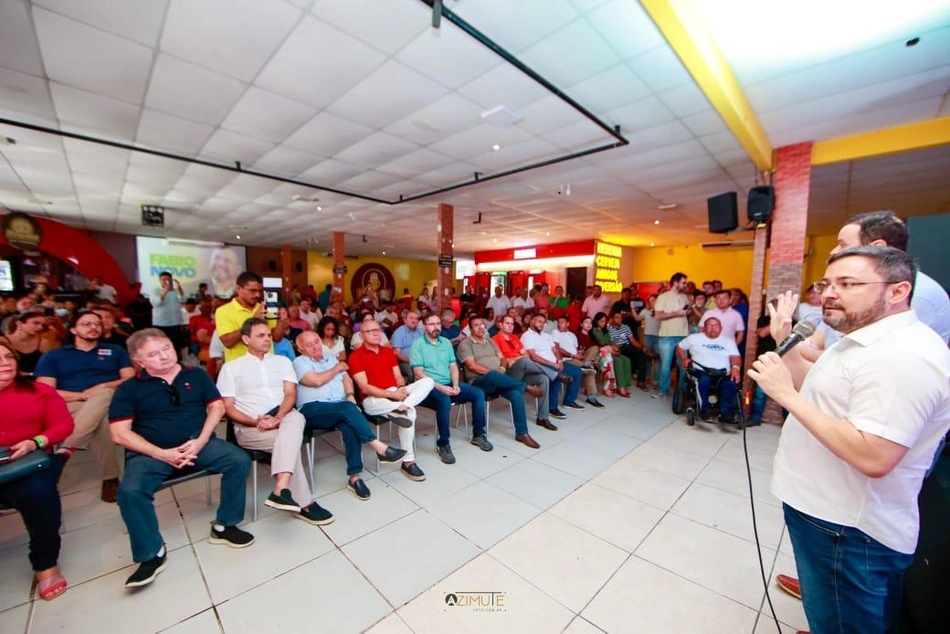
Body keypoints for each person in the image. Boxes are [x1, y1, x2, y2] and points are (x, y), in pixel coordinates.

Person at [750, 247, 950, 634]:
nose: (829, 293)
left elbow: (874, 455)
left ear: (897, 291)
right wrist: (783, 339)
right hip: (826, 513)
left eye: (848, 284)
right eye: (827, 283)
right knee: (832, 617)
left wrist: (785, 396)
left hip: (848, 530)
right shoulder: (860, 341)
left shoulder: (902, 357)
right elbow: (818, 391)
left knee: (845, 622)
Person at [110, 329, 254, 589]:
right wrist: (161, 453)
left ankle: (225, 525)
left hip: (196, 443)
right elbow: (120, 433)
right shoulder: (129, 389)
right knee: (130, 491)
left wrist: (200, 440)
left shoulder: (196, 375)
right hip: (152, 452)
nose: (164, 356)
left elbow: (217, 407)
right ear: (139, 362)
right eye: (153, 354)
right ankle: (151, 553)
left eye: (166, 348)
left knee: (239, 460)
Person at [216, 319, 333, 526]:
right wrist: (255, 421)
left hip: (283, 417)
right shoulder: (231, 368)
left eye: (268, 335)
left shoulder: (282, 362)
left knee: (296, 417)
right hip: (251, 427)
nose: (267, 338)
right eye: (260, 335)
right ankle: (303, 502)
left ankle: (282, 488)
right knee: (290, 442)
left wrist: (278, 418)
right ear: (245, 339)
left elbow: (290, 394)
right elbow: (228, 408)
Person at [0, 337, 74, 601]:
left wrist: (35, 442)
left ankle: (45, 564)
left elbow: (63, 425)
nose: (4, 363)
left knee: (38, 494)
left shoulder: (38, 391)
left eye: (8, 357)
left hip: (28, 463)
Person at [294, 331, 406, 500]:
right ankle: (379, 447)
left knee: (349, 424)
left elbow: (346, 378)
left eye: (316, 341)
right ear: (301, 349)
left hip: (339, 406)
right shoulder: (299, 362)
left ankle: (355, 477)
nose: (315, 346)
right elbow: (315, 381)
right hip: (312, 409)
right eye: (309, 345)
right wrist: (338, 367)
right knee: (348, 410)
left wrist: (349, 394)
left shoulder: (330, 359)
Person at [35, 310, 134, 502]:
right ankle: (110, 479)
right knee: (103, 422)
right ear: (73, 329)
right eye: (86, 324)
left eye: (97, 324)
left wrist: (101, 387)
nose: (93, 327)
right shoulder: (54, 356)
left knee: (104, 395)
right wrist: (81, 396)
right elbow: (45, 390)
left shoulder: (115, 351)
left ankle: (66, 449)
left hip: (110, 399)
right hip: (71, 403)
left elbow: (129, 379)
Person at [348, 319, 433, 481]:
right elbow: (364, 388)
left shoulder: (387, 352)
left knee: (427, 382)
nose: (375, 333)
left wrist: (400, 388)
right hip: (373, 400)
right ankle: (408, 462)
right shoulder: (356, 356)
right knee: (410, 414)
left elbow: (398, 376)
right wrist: (394, 396)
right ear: (361, 335)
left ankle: (402, 407)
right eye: (370, 331)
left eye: (378, 330)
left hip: (395, 393)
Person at [412, 313, 493, 464]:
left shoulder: (446, 343)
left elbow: (453, 366)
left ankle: (478, 435)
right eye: (432, 324)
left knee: (478, 393)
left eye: (438, 324)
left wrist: (455, 385)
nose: (436, 327)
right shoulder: (418, 345)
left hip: (448, 384)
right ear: (424, 327)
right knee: (444, 401)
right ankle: (443, 444)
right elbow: (418, 374)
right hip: (428, 387)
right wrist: (441, 388)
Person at [457, 316, 542, 448]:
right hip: (479, 382)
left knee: (515, 394)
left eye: (482, 325)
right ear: (470, 329)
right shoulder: (465, 344)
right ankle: (526, 387)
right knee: (493, 375)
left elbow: (502, 358)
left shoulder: (490, 341)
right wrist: (494, 373)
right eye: (476, 325)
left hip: (498, 378)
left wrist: (502, 368)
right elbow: (472, 366)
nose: (480, 327)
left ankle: (522, 433)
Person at [492, 314, 555, 428]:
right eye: (507, 323)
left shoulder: (515, 338)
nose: (510, 326)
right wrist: (518, 358)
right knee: (523, 361)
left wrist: (517, 358)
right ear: (500, 325)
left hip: (522, 371)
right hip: (508, 373)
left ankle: (542, 418)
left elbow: (525, 354)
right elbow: (503, 361)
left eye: (512, 323)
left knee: (544, 379)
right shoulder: (495, 340)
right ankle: (555, 375)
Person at [675, 317, 741, 423]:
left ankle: (725, 413)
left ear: (721, 328)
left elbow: (736, 357)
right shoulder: (694, 338)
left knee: (731, 382)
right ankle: (704, 410)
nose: (712, 328)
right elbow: (679, 347)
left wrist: (735, 368)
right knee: (704, 380)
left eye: (715, 326)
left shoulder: (728, 341)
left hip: (722, 373)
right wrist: (684, 358)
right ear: (704, 327)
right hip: (700, 371)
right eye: (709, 326)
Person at [215, 272, 286, 364]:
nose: (257, 295)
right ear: (238, 289)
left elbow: (276, 338)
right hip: (239, 367)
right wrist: (253, 321)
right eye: (252, 291)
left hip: (266, 365)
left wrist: (281, 321)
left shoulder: (263, 308)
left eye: (260, 291)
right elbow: (228, 342)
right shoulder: (223, 311)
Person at [521, 313, 585, 415]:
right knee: (557, 375)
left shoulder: (547, 335)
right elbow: (533, 356)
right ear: (531, 321)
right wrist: (553, 364)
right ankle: (551, 408)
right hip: (540, 365)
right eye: (539, 321)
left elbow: (556, 350)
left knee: (577, 372)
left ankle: (569, 401)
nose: (541, 324)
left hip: (555, 363)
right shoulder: (527, 336)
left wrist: (559, 361)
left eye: (543, 322)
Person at [551, 314, 603, 407]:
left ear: (568, 324)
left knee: (595, 348)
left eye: (562, 322)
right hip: (566, 360)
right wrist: (573, 355)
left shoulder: (572, 335)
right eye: (558, 322)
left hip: (577, 358)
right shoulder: (555, 332)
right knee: (590, 371)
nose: (559, 324)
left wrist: (580, 354)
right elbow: (557, 349)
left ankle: (586, 365)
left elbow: (575, 349)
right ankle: (591, 398)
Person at [653, 272, 690, 398]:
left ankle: (682, 392)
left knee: (684, 365)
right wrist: (676, 313)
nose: (686, 285)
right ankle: (663, 390)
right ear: (675, 283)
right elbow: (657, 315)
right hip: (667, 336)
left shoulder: (685, 297)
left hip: (683, 335)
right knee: (665, 365)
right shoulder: (663, 297)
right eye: (683, 282)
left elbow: (685, 313)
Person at [607, 311, 652, 391]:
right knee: (638, 352)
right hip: (618, 348)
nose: (619, 319)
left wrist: (642, 347)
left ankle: (641, 382)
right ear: (612, 319)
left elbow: (633, 341)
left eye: (621, 317)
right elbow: (610, 343)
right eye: (617, 317)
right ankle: (651, 354)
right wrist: (615, 346)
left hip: (628, 346)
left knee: (641, 354)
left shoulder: (626, 327)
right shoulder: (608, 329)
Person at [150, 271, 184, 354]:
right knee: (159, 346)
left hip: (175, 322)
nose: (166, 281)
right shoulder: (156, 290)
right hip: (160, 323)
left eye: (168, 279)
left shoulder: (175, 291)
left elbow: (183, 300)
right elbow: (156, 303)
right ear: (160, 281)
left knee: (174, 345)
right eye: (163, 279)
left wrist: (179, 288)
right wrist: (165, 291)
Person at [7, 310, 52, 375]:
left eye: (43, 325)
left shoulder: (44, 343)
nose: (40, 327)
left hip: (34, 380)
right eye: (36, 323)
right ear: (19, 323)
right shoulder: (4, 341)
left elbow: (49, 368)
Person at [390, 310, 423, 377]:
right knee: (414, 373)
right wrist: (412, 362)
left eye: (416, 319)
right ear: (405, 320)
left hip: (421, 360)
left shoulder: (421, 331)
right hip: (405, 361)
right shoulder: (398, 333)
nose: (414, 321)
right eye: (411, 318)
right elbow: (398, 354)